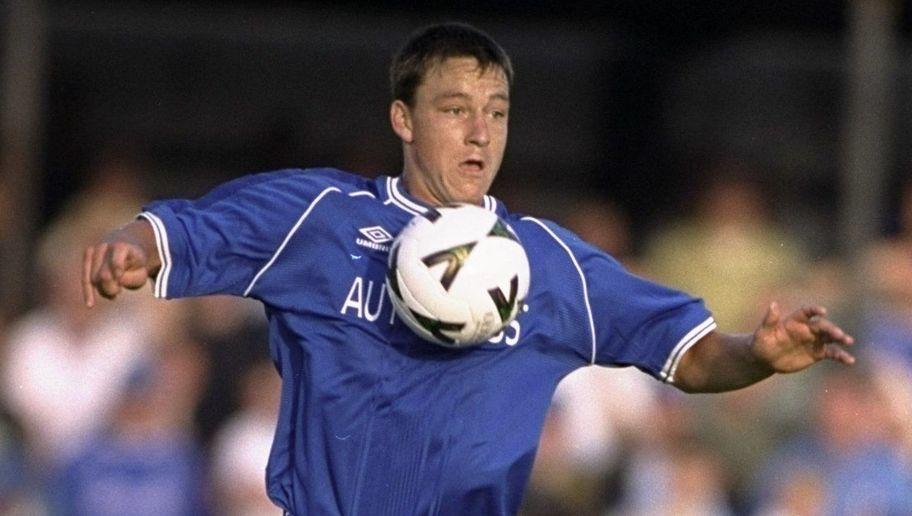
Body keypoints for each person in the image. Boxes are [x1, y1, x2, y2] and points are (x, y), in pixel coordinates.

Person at [81, 22, 855, 516]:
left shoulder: (551, 264)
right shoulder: (320, 218)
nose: (481, 132)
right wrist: (131, 248)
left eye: (498, 111)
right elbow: (182, 229)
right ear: (404, 119)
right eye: (455, 109)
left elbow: (688, 357)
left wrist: (757, 354)